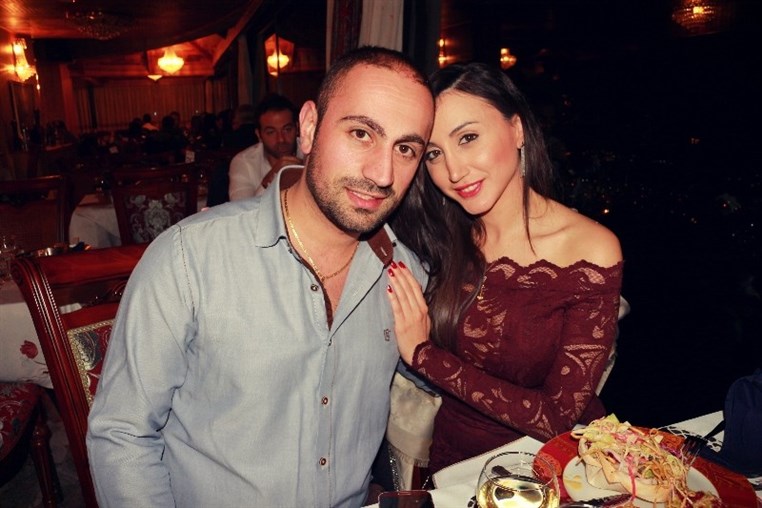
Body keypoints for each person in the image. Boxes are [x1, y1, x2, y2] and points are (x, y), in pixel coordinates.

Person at [86, 46, 434, 507]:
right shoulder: (191, 258)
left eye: (405, 149)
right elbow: (122, 434)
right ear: (309, 126)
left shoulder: (406, 276)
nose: (383, 173)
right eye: (361, 133)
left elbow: (425, 407)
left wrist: (425, 358)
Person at [386, 62, 624, 474]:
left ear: (517, 130)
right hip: (450, 462)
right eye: (435, 154)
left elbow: (557, 416)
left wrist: (424, 356)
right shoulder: (441, 236)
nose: (454, 172)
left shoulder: (590, 250)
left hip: (543, 468)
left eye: (468, 138)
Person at [228, 93, 305, 201]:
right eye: (271, 132)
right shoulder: (244, 162)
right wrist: (272, 177)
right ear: (259, 135)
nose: (281, 139)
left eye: (287, 130)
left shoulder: (313, 152)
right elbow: (241, 209)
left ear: (297, 128)